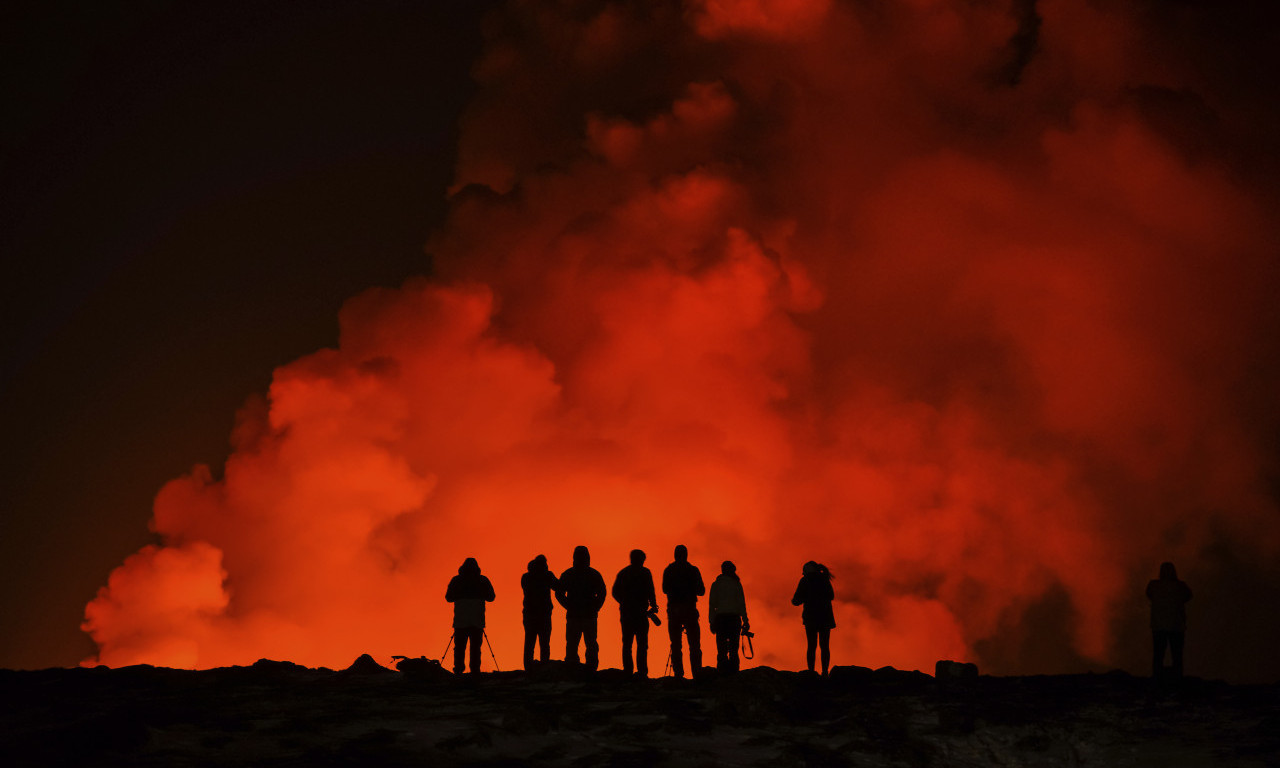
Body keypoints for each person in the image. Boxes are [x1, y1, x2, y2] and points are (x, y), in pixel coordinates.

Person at [556, 545, 607, 671]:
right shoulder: (592, 574)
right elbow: (559, 593)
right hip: (581, 615)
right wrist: (595, 607)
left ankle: (580, 667)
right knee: (582, 643)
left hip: (583, 615)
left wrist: (595, 607)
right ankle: (585, 667)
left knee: (584, 643)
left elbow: (602, 593)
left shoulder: (570, 574)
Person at [612, 549, 659, 677]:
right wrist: (653, 605)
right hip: (637, 613)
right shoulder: (644, 573)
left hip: (630, 613)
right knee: (639, 643)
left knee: (630, 643)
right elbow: (651, 591)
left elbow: (615, 592)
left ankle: (629, 671)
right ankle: (641, 672)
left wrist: (624, 602)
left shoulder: (624, 573)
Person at [444, 557, 496, 674]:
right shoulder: (482, 580)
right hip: (477, 621)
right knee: (475, 649)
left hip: (460, 621)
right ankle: (475, 671)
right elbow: (491, 597)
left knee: (459, 649)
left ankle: (458, 671)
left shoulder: (457, 580)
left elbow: (448, 598)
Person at [662, 544, 705, 678]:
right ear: (686, 555)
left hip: (674, 610)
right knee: (694, 644)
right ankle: (697, 673)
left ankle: (678, 675)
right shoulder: (693, 570)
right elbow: (701, 591)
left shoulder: (669, 570)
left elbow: (664, 589)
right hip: (690, 610)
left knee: (675, 644)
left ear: (675, 555)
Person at [1146, 561, 1192, 680]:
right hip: (1176, 626)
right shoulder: (1180, 586)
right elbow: (1188, 596)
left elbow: (1149, 594)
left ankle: (1157, 678)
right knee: (1176, 655)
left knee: (1159, 654)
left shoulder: (1154, 586)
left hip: (1159, 626)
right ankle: (1177, 678)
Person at [791, 561, 835, 675]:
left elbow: (796, 601)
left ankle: (811, 672)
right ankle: (825, 671)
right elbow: (831, 596)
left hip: (811, 618)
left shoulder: (805, 581)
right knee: (825, 646)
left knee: (811, 645)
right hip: (825, 617)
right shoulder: (824, 579)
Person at [708, 560, 749, 673]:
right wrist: (745, 620)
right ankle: (734, 673)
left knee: (721, 649)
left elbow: (712, 605)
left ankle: (722, 672)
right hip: (734, 620)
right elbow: (741, 604)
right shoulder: (736, 584)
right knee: (733, 649)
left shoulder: (716, 584)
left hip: (720, 620)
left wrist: (712, 621)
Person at [521, 554, 560, 668]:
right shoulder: (547, 575)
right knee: (544, 643)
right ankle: (544, 666)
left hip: (530, 614)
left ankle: (528, 666)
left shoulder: (526, 577)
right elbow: (558, 586)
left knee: (530, 641)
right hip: (543, 614)